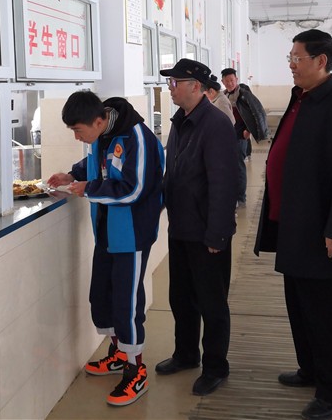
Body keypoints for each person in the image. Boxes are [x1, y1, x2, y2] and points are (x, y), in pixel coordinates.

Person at [254, 30, 332, 420]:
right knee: (299, 304)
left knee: (324, 312)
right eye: (290, 57)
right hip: (292, 222)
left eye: (297, 57)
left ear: (321, 61)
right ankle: (310, 369)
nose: (291, 64)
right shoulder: (301, 98)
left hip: (320, 227)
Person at [46, 91, 164, 407]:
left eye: (78, 130)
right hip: (107, 232)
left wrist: (89, 188)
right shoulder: (104, 133)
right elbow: (98, 163)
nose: (77, 136)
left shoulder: (138, 137)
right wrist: (73, 174)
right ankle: (119, 354)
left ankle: (136, 371)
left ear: (98, 121)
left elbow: (135, 189)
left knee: (127, 303)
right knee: (102, 296)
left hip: (132, 235)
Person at [155, 59, 237, 396]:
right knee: (181, 298)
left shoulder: (215, 124)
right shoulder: (180, 121)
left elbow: (224, 183)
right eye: (170, 82)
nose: (170, 88)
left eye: (175, 82)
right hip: (181, 228)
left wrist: (218, 233)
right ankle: (186, 354)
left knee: (211, 303)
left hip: (207, 233)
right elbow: (173, 173)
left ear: (195, 86)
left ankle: (215, 366)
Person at [220, 67, 269, 209]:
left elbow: (257, 112)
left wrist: (249, 130)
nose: (230, 83)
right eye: (227, 81)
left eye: (232, 80)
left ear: (236, 79)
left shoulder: (244, 95)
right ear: (223, 82)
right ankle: (233, 195)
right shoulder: (224, 95)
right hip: (228, 135)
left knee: (238, 166)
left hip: (240, 135)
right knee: (229, 166)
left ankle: (241, 198)